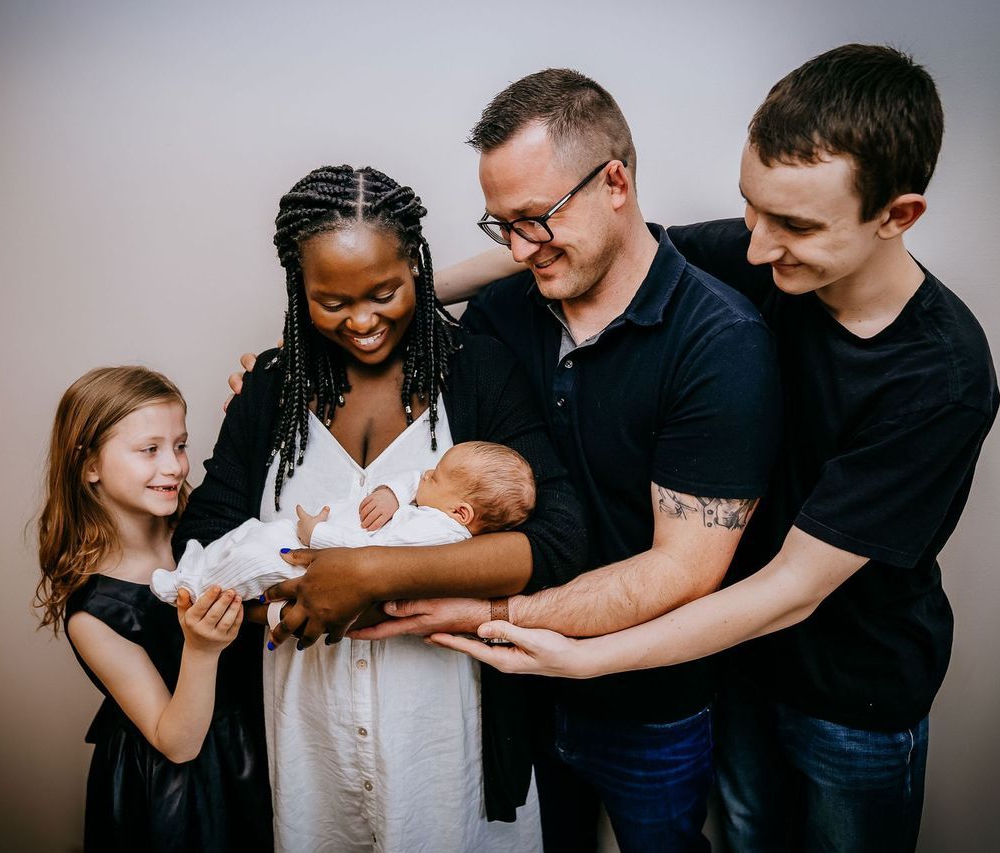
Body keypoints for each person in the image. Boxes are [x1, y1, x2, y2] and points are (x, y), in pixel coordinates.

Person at [419, 45, 1000, 853]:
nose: (757, 246)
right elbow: (599, 243)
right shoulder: (764, 252)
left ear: (896, 215)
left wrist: (585, 657)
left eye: (793, 225)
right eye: (751, 209)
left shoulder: (940, 378)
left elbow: (794, 588)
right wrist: (399, 295)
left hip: (851, 692)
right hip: (736, 664)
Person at [347, 70, 783, 852]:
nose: (518, 248)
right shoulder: (506, 309)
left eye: (535, 218)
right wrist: (282, 370)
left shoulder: (719, 344)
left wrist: (495, 618)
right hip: (512, 697)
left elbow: (681, 569)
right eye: (500, 226)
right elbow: (385, 369)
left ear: (615, 182)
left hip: (651, 705)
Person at [173, 164, 586, 852]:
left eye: (386, 292)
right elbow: (203, 540)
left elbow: (560, 539)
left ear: (419, 272)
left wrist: (372, 577)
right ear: (297, 291)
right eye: (331, 301)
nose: (362, 321)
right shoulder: (271, 391)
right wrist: (292, 602)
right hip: (308, 760)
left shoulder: (480, 371)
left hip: (455, 762)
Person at [34, 365, 273, 852]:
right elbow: (176, 742)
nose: (175, 466)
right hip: (180, 794)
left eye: (180, 445)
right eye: (150, 450)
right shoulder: (94, 613)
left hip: (257, 741)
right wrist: (202, 651)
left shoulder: (205, 529)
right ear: (89, 465)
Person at [151, 440, 536, 604]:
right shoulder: (441, 505)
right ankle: (198, 565)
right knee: (252, 533)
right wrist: (392, 492)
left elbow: (369, 556)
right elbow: (415, 478)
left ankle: (193, 589)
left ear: (461, 514)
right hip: (307, 541)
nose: (425, 475)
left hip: (313, 556)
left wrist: (316, 533)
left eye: (436, 476)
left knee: (254, 560)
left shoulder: (436, 533)